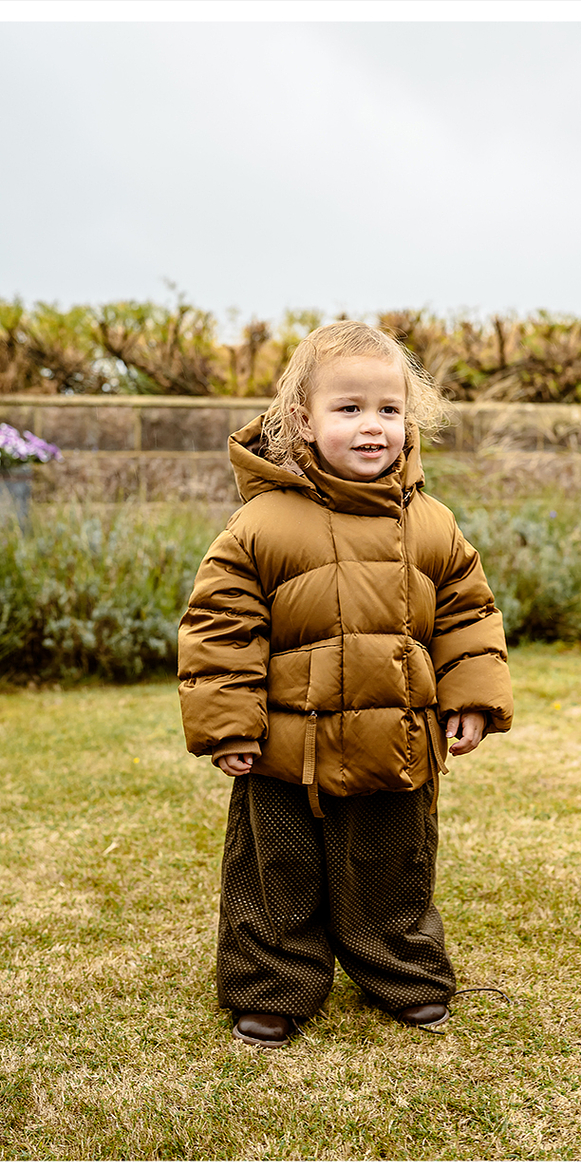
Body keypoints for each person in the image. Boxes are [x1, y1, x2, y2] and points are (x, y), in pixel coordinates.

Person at [178, 320, 513, 1049]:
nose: (372, 426)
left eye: (389, 409)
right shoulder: (261, 524)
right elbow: (221, 628)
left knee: (394, 870)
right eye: (349, 408)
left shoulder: (431, 523)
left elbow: (468, 614)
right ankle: (272, 986)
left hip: (397, 741)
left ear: (409, 419)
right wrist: (229, 723)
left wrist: (472, 697)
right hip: (286, 750)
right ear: (303, 419)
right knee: (278, 873)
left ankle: (404, 975)